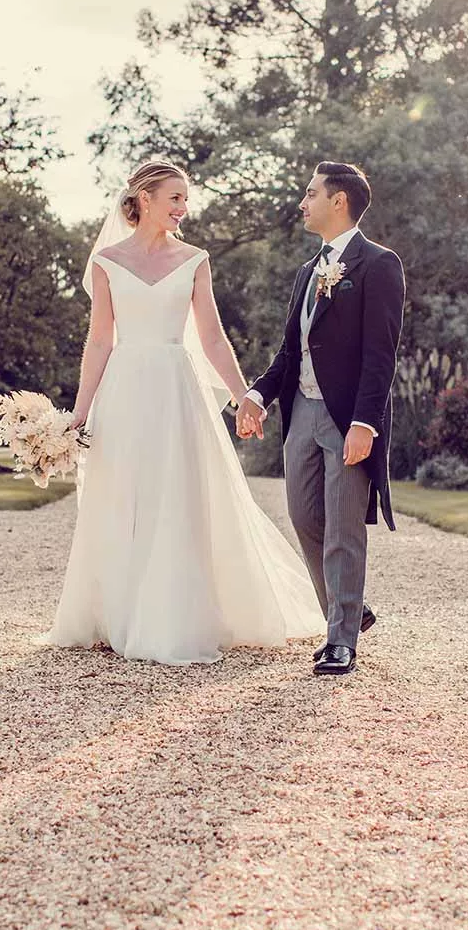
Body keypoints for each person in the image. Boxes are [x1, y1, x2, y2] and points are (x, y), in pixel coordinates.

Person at [36, 160, 323, 665]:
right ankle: (119, 614)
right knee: (124, 493)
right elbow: (100, 339)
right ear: (144, 198)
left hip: (175, 388)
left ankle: (170, 617)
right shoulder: (106, 262)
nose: (182, 208)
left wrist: (245, 396)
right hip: (123, 388)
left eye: (184, 200)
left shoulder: (195, 259)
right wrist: (80, 412)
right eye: (174, 198)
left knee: (176, 495)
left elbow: (211, 336)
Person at [236, 162, 405, 676]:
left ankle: (340, 640)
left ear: (339, 201)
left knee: (343, 527)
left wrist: (365, 423)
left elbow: (381, 355)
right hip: (302, 414)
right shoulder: (308, 271)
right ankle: (350, 609)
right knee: (305, 515)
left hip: (347, 417)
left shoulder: (379, 264)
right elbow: (290, 352)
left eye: (311, 194)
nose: (302, 202)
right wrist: (257, 395)